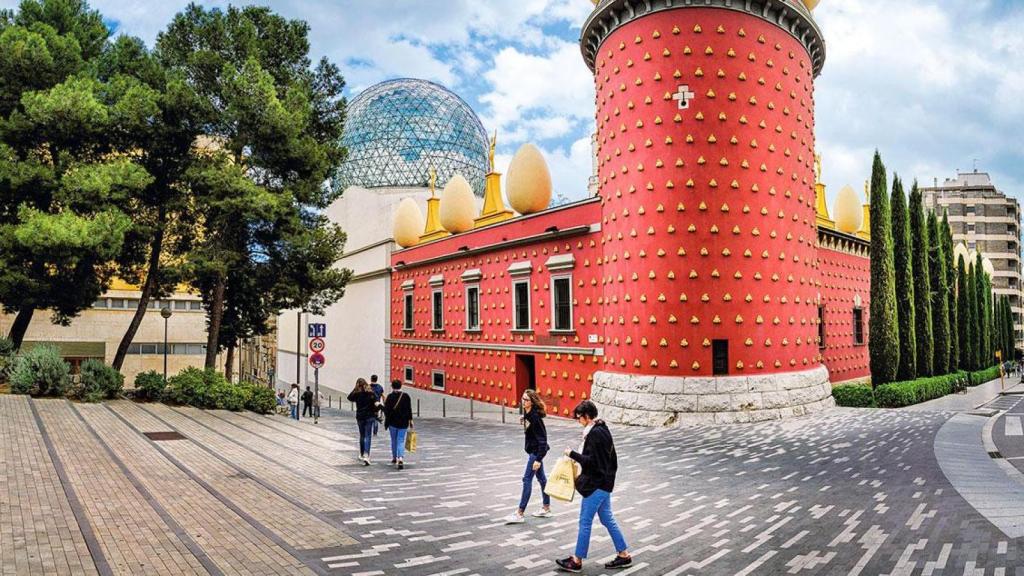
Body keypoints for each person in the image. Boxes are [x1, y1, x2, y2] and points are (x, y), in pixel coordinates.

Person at [555, 400, 631, 572]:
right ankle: (624, 554)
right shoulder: (602, 428)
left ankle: (576, 561)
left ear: (587, 416)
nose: (578, 421)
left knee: (585, 522)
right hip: (605, 482)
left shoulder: (595, 434)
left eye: (579, 417)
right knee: (606, 519)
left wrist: (571, 454)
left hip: (597, 485)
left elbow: (592, 463)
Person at [506, 389, 552, 524]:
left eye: (526, 400)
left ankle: (520, 513)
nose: (523, 401)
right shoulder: (528, 415)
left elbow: (543, 440)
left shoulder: (535, 418)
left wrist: (538, 459)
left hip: (536, 453)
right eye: (522, 398)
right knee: (542, 479)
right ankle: (546, 508)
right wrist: (524, 419)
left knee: (527, 479)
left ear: (532, 402)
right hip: (534, 451)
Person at [347, 378, 381, 465]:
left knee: (362, 435)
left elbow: (349, 397)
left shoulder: (357, 393)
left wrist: (355, 389)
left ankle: (362, 454)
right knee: (368, 436)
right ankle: (366, 455)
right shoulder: (371, 392)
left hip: (360, 416)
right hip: (369, 416)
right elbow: (377, 402)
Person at [383, 379, 413, 470]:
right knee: (400, 440)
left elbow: (386, 411)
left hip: (392, 422)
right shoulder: (406, 396)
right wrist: (410, 420)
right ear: (401, 386)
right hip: (403, 422)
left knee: (393, 440)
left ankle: (394, 457)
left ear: (392, 386)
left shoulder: (390, 397)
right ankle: (400, 458)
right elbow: (409, 409)